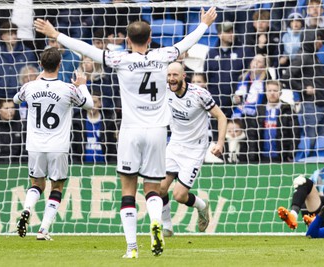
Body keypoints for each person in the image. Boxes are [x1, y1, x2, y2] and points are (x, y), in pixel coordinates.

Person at [34, 7, 217, 258]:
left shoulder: (121, 59)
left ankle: (132, 248)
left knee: (128, 191)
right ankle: (157, 223)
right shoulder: (164, 56)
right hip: (157, 133)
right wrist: (204, 24)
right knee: (152, 189)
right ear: (150, 38)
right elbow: (186, 42)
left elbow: (88, 50)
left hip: (130, 131)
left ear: (127, 41)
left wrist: (56, 34)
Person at [13, 47, 93, 241]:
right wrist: (82, 85)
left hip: (35, 145)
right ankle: (43, 230)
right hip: (58, 146)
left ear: (41, 65)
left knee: (36, 183)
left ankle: (27, 208)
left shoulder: (29, 87)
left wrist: (37, 79)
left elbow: (16, 99)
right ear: (59, 65)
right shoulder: (68, 89)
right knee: (56, 187)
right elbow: (89, 104)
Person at [160, 62, 227, 236]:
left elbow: (221, 116)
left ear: (184, 76)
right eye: (169, 75)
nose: (171, 79)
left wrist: (219, 143)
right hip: (175, 145)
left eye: (175, 75)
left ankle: (202, 206)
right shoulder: (165, 91)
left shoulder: (199, 94)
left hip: (195, 150)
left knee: (179, 195)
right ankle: (167, 226)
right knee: (159, 188)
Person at [278, 148, 324, 230]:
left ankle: (314, 221)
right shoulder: (318, 174)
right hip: (322, 211)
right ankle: (293, 215)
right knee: (303, 182)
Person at [253, 80, 300, 163]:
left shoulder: (288, 110)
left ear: (280, 93)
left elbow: (295, 134)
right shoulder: (259, 111)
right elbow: (253, 134)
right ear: (265, 92)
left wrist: (290, 154)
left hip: (282, 157)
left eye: (275, 91)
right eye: (269, 90)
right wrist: (253, 156)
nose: (272, 93)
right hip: (262, 157)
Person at [0, 21, 38, 99]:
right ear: (3, 37)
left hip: (23, 95)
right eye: (10, 34)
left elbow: (34, 74)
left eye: (15, 33)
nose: (14, 36)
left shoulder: (28, 53)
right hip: (3, 95)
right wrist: (2, 84)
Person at [71, 90, 118, 164]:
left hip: (105, 166)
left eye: (94, 102)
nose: (92, 106)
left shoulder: (108, 122)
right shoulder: (77, 121)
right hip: (82, 166)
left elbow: (114, 147)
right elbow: (72, 147)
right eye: (90, 102)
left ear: (100, 103)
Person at [0, 98, 26, 164]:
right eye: (6, 108)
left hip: (18, 165)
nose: (10, 111)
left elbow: (25, 151)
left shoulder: (22, 125)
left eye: (12, 108)